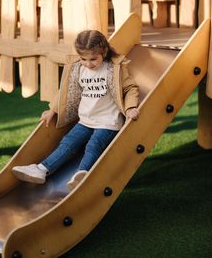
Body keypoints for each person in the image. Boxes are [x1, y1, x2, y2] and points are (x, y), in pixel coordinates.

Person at [12, 30, 139, 190]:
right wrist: (52, 110)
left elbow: (130, 88)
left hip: (108, 122)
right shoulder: (78, 69)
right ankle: (41, 170)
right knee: (67, 143)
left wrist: (131, 107)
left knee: (94, 145)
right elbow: (66, 91)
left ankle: (82, 174)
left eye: (93, 59)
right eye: (83, 59)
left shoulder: (113, 69)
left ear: (104, 52)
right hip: (86, 120)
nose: (88, 63)